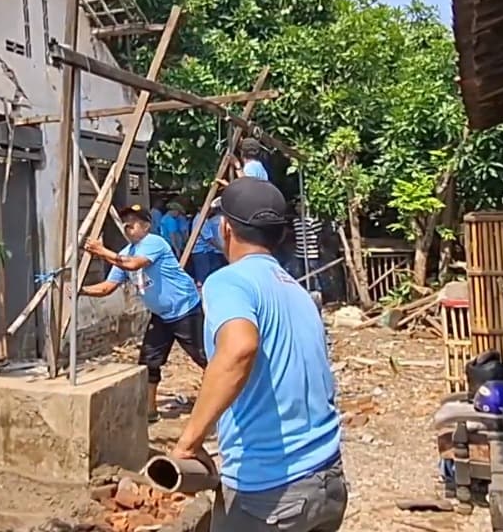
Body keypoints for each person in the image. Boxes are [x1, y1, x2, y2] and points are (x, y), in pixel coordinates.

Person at [172, 178, 346, 531]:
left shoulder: (229, 281)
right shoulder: (297, 292)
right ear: (279, 236)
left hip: (270, 495)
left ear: (224, 228)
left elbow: (239, 349)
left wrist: (187, 444)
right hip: (328, 480)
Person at [82, 204, 207, 423]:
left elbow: (134, 265)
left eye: (134, 221)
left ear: (146, 226)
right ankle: (150, 410)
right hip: (160, 316)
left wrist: (102, 252)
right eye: (125, 221)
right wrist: (80, 290)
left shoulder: (154, 243)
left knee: (205, 357)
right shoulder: (122, 254)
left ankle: (223, 401)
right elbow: (108, 287)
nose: (128, 225)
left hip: (184, 310)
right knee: (149, 361)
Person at [188, 199, 227, 287]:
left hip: (206, 250)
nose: (211, 210)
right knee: (203, 274)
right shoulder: (200, 220)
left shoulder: (206, 220)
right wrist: (221, 248)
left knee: (210, 269)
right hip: (200, 251)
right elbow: (209, 238)